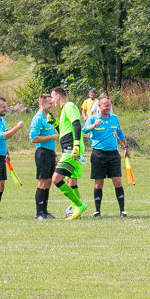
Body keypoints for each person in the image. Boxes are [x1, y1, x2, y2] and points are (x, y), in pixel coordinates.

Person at [84, 97, 130, 217]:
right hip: (98, 154)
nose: (108, 108)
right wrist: (93, 125)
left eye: (109, 106)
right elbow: (84, 129)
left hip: (113, 154)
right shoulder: (93, 118)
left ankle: (122, 210)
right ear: (99, 106)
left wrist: (126, 147)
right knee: (99, 183)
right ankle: (97, 211)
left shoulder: (114, 118)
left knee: (117, 181)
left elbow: (120, 133)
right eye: (106, 106)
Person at [50, 87, 88, 220]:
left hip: (71, 149)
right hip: (71, 148)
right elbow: (64, 130)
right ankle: (77, 214)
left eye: (53, 96)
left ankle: (79, 205)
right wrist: (54, 123)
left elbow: (77, 124)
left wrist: (76, 144)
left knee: (56, 179)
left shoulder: (69, 106)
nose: (52, 99)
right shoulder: (64, 109)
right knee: (71, 181)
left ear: (58, 96)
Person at [29, 93, 58, 219]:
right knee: (42, 183)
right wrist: (51, 137)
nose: (52, 106)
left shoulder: (49, 117)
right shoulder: (38, 118)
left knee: (48, 183)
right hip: (42, 153)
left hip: (50, 153)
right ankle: (39, 213)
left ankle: (45, 212)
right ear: (42, 103)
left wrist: (55, 154)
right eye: (49, 103)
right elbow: (33, 138)